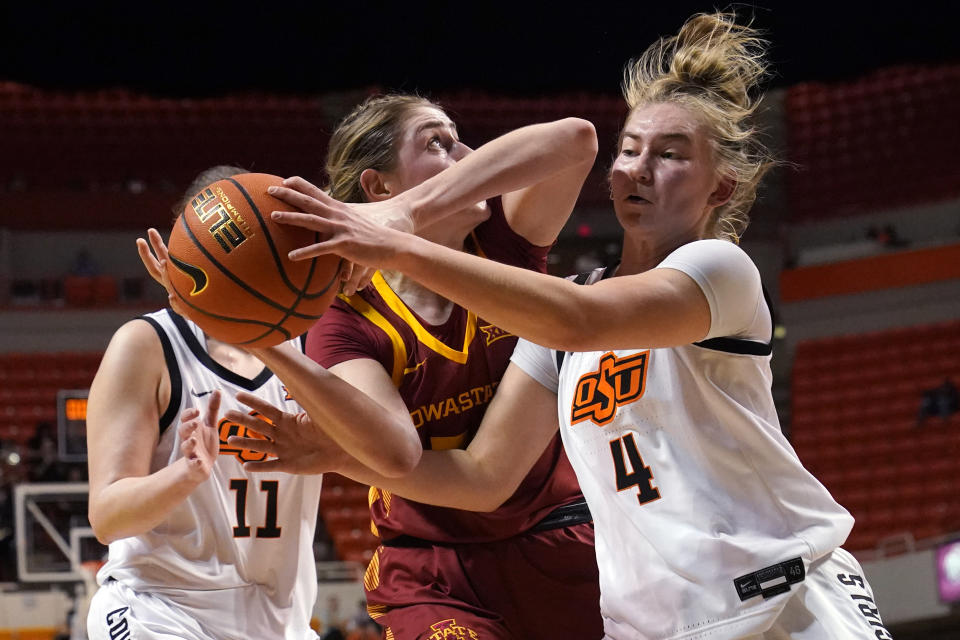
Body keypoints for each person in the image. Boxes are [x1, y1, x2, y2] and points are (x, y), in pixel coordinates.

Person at [254, 12, 891, 639]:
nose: (638, 169)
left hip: (779, 593)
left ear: (720, 190)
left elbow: (580, 321)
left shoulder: (719, 270)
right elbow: (483, 476)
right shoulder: (562, 309)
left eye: (670, 156)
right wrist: (342, 455)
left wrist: (398, 231)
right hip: (655, 625)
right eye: (630, 150)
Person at [142, 98, 604, 639]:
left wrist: (409, 215)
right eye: (437, 142)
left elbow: (576, 140)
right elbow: (396, 453)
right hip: (435, 571)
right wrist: (253, 330)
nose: (467, 154)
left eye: (459, 139)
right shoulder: (344, 315)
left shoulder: (501, 246)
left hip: (561, 538)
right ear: (378, 187)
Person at [85, 166, 324, 640]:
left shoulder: (309, 350)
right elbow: (108, 518)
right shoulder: (147, 343)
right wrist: (184, 474)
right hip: (160, 609)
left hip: (279, 619)